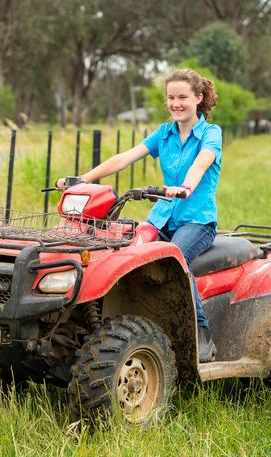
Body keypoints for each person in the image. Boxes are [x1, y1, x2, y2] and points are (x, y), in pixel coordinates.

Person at [57, 68, 221, 362]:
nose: (176, 103)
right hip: (162, 217)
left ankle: (201, 333)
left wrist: (185, 187)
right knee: (124, 251)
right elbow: (125, 157)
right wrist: (84, 178)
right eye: (171, 98)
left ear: (198, 97)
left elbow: (202, 163)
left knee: (177, 258)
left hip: (196, 220)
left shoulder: (210, 133)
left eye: (183, 97)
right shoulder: (164, 132)